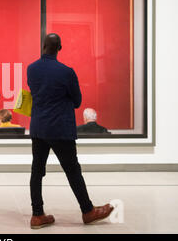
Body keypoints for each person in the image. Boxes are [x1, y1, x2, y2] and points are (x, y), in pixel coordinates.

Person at [27, 33, 113, 229]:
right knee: (73, 170)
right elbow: (77, 102)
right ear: (60, 48)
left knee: (36, 171)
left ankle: (37, 215)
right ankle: (88, 211)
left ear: (43, 46)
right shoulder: (66, 72)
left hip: (39, 127)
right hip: (60, 129)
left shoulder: (31, 69)